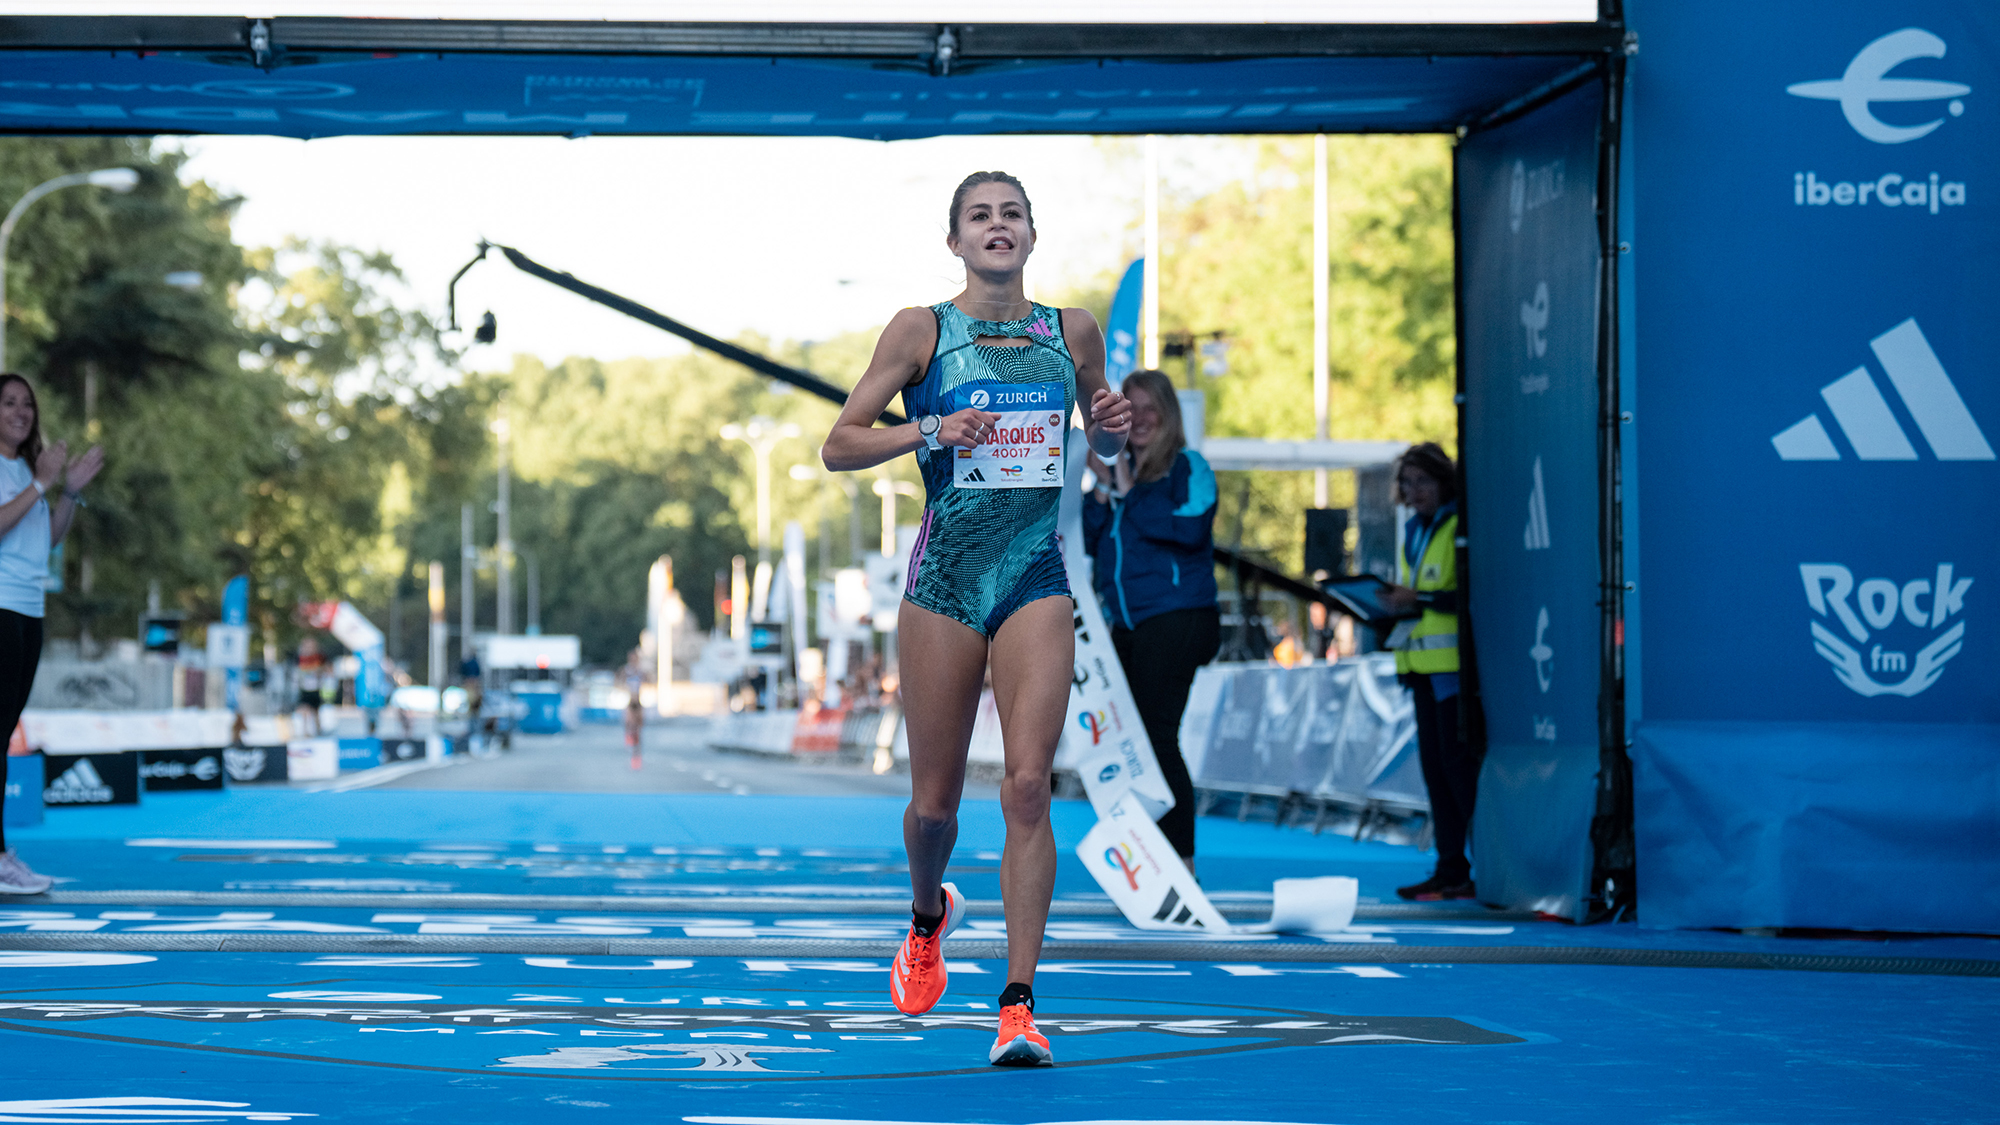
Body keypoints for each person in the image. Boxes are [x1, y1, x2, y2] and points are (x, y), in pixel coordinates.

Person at [822, 170, 1130, 1068]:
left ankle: (1019, 1004)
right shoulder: (923, 328)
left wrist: (1107, 423)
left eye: (1012, 214)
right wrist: (928, 432)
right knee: (933, 810)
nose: (998, 227)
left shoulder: (1070, 330)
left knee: (1029, 785)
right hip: (945, 583)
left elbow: (1103, 443)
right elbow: (839, 445)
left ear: (1033, 234)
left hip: (1035, 573)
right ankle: (928, 916)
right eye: (979, 217)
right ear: (954, 241)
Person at [1080, 368, 1220, 872]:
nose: (1137, 420)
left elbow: (1190, 529)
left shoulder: (1188, 468)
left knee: (1158, 734)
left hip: (1178, 615)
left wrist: (1127, 488)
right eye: (1128, 409)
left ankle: (1180, 858)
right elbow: (1089, 541)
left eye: (1148, 409)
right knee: (1131, 740)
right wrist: (1102, 490)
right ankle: (1150, 855)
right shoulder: (1117, 481)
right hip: (1127, 623)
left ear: (1168, 414)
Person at [0, 373, 102, 895]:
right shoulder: (15, 472)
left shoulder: (24, 468)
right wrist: (40, 484)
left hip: (27, 607)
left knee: (5, 731)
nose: (21, 412)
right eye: (9, 403)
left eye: (27, 404)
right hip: (0, 606)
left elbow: (48, 538)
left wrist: (69, 492)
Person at [1381, 442, 1475, 901]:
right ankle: (1450, 866)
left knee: (1457, 770)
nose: (1413, 491)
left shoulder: (1459, 527)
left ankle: (1473, 865)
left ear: (1443, 482)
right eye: (1407, 482)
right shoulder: (1414, 530)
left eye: (1422, 481)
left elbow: (1468, 598)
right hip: (1420, 665)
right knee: (1436, 772)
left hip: (1452, 671)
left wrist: (1417, 601)